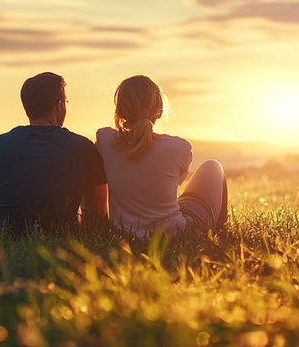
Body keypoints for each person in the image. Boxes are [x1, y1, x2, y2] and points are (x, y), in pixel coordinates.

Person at [0, 72, 108, 235]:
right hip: (62, 236)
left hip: (2, 236)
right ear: (60, 106)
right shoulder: (85, 148)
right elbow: (98, 216)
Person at [95, 75, 227, 236]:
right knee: (213, 166)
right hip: (174, 232)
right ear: (159, 110)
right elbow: (176, 182)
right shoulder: (180, 147)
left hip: (123, 232)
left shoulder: (105, 139)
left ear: (119, 111)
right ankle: (221, 232)